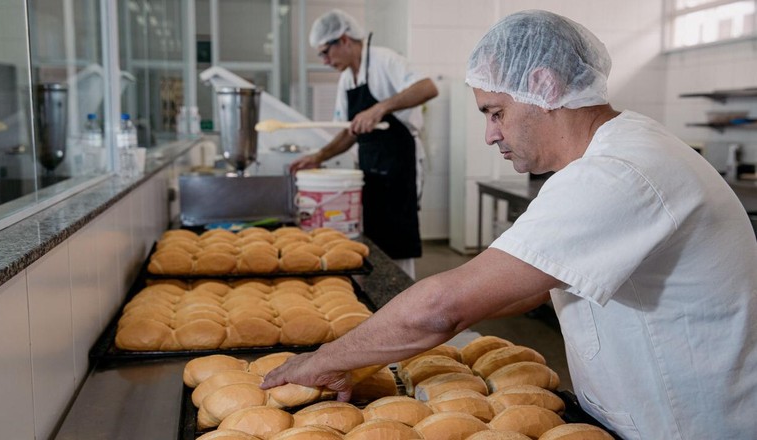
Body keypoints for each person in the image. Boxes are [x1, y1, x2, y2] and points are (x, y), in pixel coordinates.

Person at [263, 10, 757, 440]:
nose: (489, 134)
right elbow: (527, 287)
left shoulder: (616, 174)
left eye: (496, 112)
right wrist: (370, 354)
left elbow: (443, 307)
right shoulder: (617, 151)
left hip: (686, 425)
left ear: (543, 87)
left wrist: (322, 360)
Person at [289, 9, 438, 279]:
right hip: (370, 169)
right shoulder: (348, 78)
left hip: (399, 167)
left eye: (325, 52)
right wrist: (319, 156)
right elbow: (350, 131)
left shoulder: (384, 60)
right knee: (373, 237)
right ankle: (377, 297)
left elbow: (428, 87)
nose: (324, 60)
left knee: (397, 240)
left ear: (344, 40)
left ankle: (401, 296)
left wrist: (380, 108)